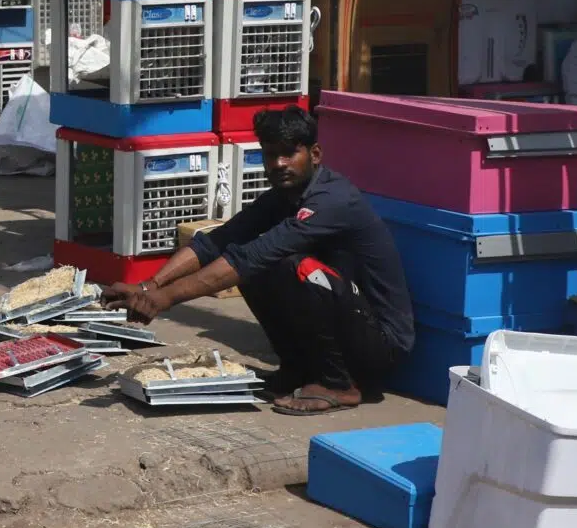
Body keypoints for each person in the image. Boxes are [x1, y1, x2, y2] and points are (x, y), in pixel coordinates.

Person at [103, 105, 413, 416]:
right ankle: (297, 370)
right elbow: (217, 241)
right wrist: (148, 287)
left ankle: (338, 384)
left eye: (289, 153)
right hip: (348, 325)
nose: (278, 164)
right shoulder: (281, 197)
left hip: (379, 346)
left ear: (315, 154)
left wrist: (166, 298)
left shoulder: (333, 200)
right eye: (270, 154)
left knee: (292, 266)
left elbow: (254, 256)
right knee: (255, 261)